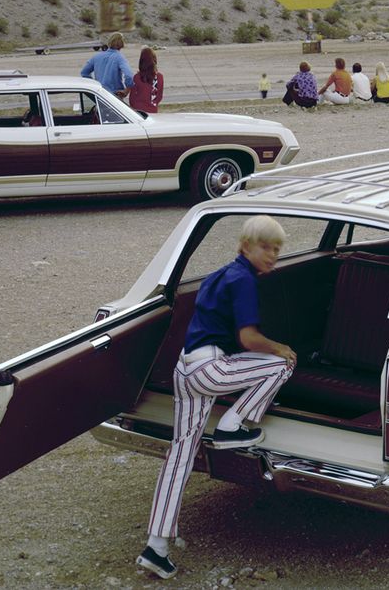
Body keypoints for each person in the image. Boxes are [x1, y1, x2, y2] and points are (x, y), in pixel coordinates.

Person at [138, 215, 297, 580]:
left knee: (178, 457)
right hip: (211, 370)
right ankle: (232, 425)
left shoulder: (220, 275)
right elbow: (249, 341)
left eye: (277, 249)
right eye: (266, 247)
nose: (273, 255)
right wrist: (281, 347)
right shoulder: (244, 282)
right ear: (245, 246)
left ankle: (156, 547)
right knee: (281, 364)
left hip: (186, 369)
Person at [80, 32, 133, 98]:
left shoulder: (96, 56)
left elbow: (84, 72)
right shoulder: (119, 57)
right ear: (121, 44)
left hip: (100, 94)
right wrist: (126, 91)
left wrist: (94, 85)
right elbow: (129, 75)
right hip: (115, 96)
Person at [127, 46, 164, 114]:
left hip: (138, 110)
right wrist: (153, 103)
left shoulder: (137, 77)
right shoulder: (160, 77)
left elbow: (132, 98)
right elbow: (159, 96)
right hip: (153, 109)